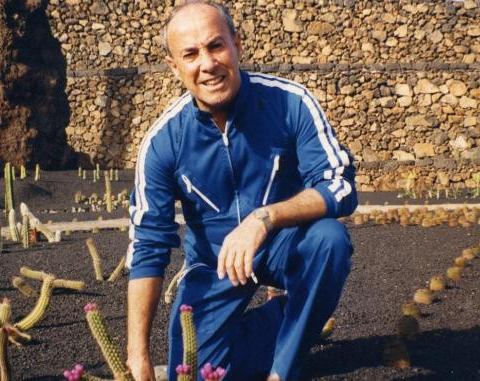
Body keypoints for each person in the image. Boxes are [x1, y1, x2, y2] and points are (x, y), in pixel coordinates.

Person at [125, 1, 357, 380]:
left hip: (285, 244)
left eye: (216, 46)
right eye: (191, 54)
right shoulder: (163, 142)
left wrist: (264, 218)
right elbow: (148, 246)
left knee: (329, 239)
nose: (208, 63)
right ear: (174, 66)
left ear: (237, 45)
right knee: (195, 372)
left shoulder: (290, 103)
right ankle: (291, 317)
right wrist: (138, 356)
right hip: (215, 262)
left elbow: (340, 186)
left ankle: (284, 368)